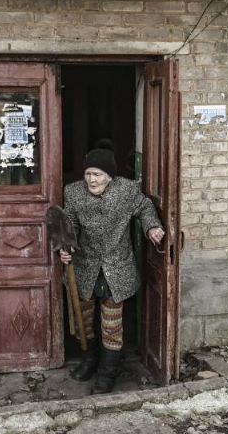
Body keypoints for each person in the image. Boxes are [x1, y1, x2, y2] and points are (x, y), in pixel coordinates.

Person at [60, 140, 165, 394]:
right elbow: (70, 222)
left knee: (111, 325)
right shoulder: (73, 192)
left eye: (97, 174)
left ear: (109, 176)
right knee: (83, 320)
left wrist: (152, 226)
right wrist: (66, 247)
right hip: (85, 264)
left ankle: (108, 374)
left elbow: (145, 207)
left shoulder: (127, 190)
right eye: (88, 174)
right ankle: (89, 360)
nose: (91, 180)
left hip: (116, 266)